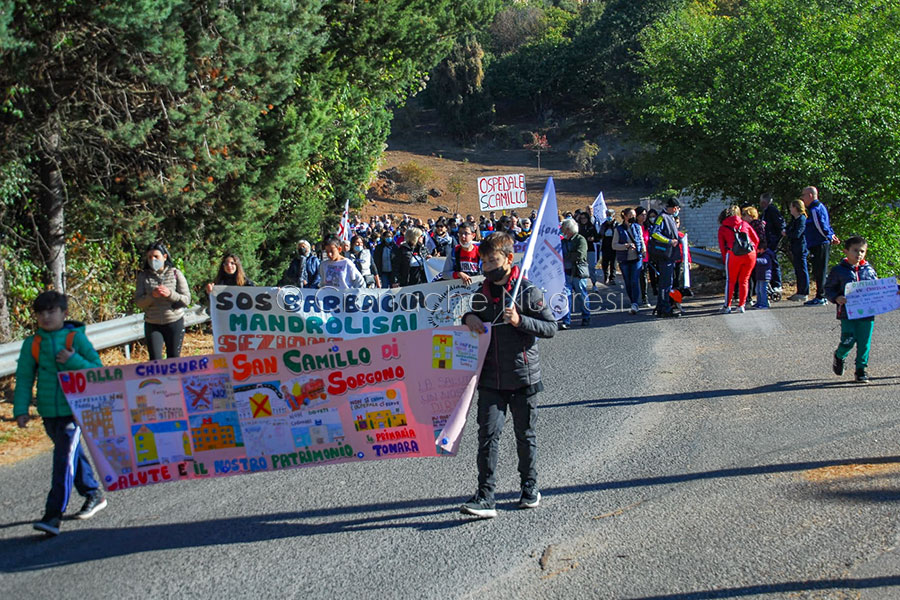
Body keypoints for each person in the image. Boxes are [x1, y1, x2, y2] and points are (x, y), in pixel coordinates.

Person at [460, 232, 557, 518]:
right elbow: (470, 321)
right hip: (491, 378)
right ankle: (485, 496)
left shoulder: (528, 292)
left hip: (524, 376)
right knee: (487, 436)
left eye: (493, 261)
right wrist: (468, 318)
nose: (487, 267)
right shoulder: (481, 294)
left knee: (525, 435)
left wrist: (519, 320)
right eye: (483, 262)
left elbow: (550, 328)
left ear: (509, 259)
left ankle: (529, 487)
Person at [13, 291, 107, 535]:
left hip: (73, 412)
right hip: (48, 411)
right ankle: (93, 493)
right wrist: (21, 409)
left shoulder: (75, 339)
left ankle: (53, 515)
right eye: (40, 313)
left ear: (64, 313)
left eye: (51, 311)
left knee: (63, 461)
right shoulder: (33, 343)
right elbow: (24, 378)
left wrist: (73, 360)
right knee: (71, 454)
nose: (46, 317)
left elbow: (97, 371)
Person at [824, 236, 898, 382]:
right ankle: (839, 355)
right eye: (855, 250)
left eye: (862, 251)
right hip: (847, 313)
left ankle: (861, 370)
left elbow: (878, 289)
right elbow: (828, 289)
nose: (859, 254)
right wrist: (837, 298)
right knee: (848, 340)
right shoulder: (839, 270)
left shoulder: (869, 270)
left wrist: (893, 291)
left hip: (867, 312)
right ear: (846, 251)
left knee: (864, 342)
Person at [135, 241, 191, 359]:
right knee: (155, 360)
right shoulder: (143, 276)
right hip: (152, 323)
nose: (153, 260)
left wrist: (170, 294)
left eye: (156, 256)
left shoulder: (175, 273)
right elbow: (139, 302)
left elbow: (186, 299)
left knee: (173, 358)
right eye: (150, 257)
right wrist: (151, 296)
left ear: (164, 257)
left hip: (174, 321)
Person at [717, 205, 759, 314]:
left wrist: (725, 258)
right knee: (744, 280)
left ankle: (727, 306)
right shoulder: (744, 224)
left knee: (730, 281)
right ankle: (741, 305)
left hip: (733, 254)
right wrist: (753, 250)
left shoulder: (723, 228)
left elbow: (722, 247)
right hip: (749, 254)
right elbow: (756, 239)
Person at [802, 186, 840, 305]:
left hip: (819, 243)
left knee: (820, 270)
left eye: (803, 195)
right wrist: (832, 234)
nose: (802, 198)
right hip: (818, 242)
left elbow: (820, 226)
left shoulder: (815, 209)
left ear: (810, 195)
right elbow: (826, 224)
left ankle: (821, 296)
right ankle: (821, 295)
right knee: (818, 270)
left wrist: (829, 236)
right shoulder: (820, 207)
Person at [648, 199, 682, 317]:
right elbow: (654, 233)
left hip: (670, 255)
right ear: (674, 208)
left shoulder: (669, 217)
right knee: (665, 283)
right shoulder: (662, 217)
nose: (678, 211)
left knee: (667, 282)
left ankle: (661, 308)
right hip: (664, 255)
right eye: (677, 208)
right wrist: (669, 241)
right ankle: (665, 309)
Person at [560, 218, 591, 328]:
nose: (561, 230)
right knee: (566, 297)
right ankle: (566, 321)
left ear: (568, 229)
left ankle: (586, 316)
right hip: (566, 273)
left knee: (582, 295)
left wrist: (565, 256)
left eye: (563, 228)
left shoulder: (580, 239)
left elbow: (580, 255)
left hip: (578, 273)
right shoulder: (563, 241)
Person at [612, 208, 644, 314]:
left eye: (634, 215)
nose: (633, 217)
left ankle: (635, 303)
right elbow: (614, 245)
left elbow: (641, 240)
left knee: (634, 280)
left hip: (636, 258)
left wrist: (643, 250)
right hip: (624, 259)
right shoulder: (618, 229)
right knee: (628, 282)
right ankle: (632, 300)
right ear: (625, 216)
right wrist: (625, 246)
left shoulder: (637, 227)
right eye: (630, 215)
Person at [759, 193, 786, 293]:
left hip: (772, 241)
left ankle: (777, 284)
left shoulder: (772, 210)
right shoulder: (766, 212)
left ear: (764, 202)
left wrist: (775, 238)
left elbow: (780, 224)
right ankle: (772, 283)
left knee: (773, 262)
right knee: (770, 262)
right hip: (768, 241)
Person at [786, 200, 810, 301]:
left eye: (791, 207)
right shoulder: (794, 220)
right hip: (795, 247)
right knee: (798, 270)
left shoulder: (802, 219)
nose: (790, 209)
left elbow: (797, 234)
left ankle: (804, 292)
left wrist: (787, 234)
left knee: (802, 269)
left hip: (801, 247)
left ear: (796, 207)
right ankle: (799, 291)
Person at [576, 211, 599, 289]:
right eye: (581, 218)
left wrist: (593, 238)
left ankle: (594, 283)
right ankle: (583, 284)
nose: (583, 220)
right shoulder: (578, 227)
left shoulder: (591, 227)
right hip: (581, 250)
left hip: (590, 249)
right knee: (582, 267)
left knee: (591, 267)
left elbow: (597, 237)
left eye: (585, 218)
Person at [753, 240, 776, 309]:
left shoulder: (767, 255)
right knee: (758, 290)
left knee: (763, 291)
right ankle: (759, 302)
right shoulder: (762, 254)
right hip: (760, 276)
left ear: (762, 249)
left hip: (765, 276)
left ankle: (764, 303)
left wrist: (755, 260)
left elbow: (764, 261)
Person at [598, 209, 618, 285]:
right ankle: (605, 276)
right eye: (607, 215)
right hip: (605, 245)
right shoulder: (604, 225)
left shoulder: (616, 225)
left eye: (610, 215)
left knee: (613, 263)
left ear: (613, 216)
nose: (609, 217)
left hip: (614, 245)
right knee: (605, 263)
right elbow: (600, 234)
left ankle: (612, 278)